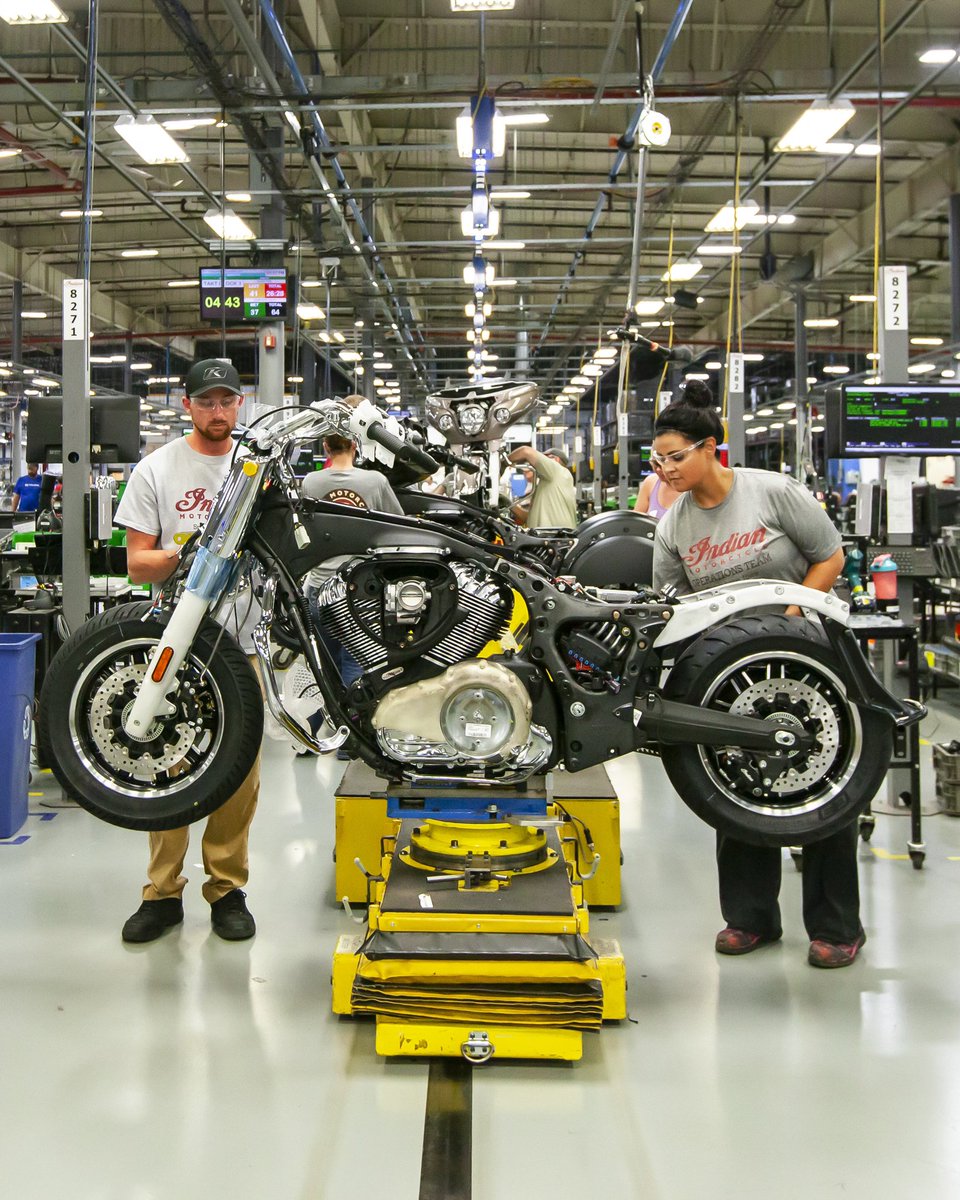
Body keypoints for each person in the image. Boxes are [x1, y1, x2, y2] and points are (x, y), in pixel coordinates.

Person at [650, 381, 860, 969]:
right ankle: (750, 918)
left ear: (709, 448)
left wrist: (796, 613)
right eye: (657, 459)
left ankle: (836, 925)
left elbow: (831, 555)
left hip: (807, 662)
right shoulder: (673, 527)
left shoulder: (772, 493)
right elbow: (671, 602)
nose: (664, 469)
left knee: (824, 787)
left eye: (675, 456)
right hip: (732, 675)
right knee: (735, 787)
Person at [113, 358, 259, 945]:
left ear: (240, 404)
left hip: (244, 638)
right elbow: (136, 560)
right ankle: (162, 892)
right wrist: (198, 556)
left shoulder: (259, 469)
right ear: (187, 405)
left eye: (227, 400)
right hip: (174, 640)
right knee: (167, 767)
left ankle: (226, 889)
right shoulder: (157, 469)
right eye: (207, 401)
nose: (218, 411)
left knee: (239, 776)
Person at [506, 445, 577, 529]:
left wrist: (503, 462)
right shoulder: (546, 483)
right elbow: (529, 518)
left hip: (554, 538)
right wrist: (508, 504)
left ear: (556, 460)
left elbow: (525, 451)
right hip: (545, 537)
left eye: (545, 458)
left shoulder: (558, 471)